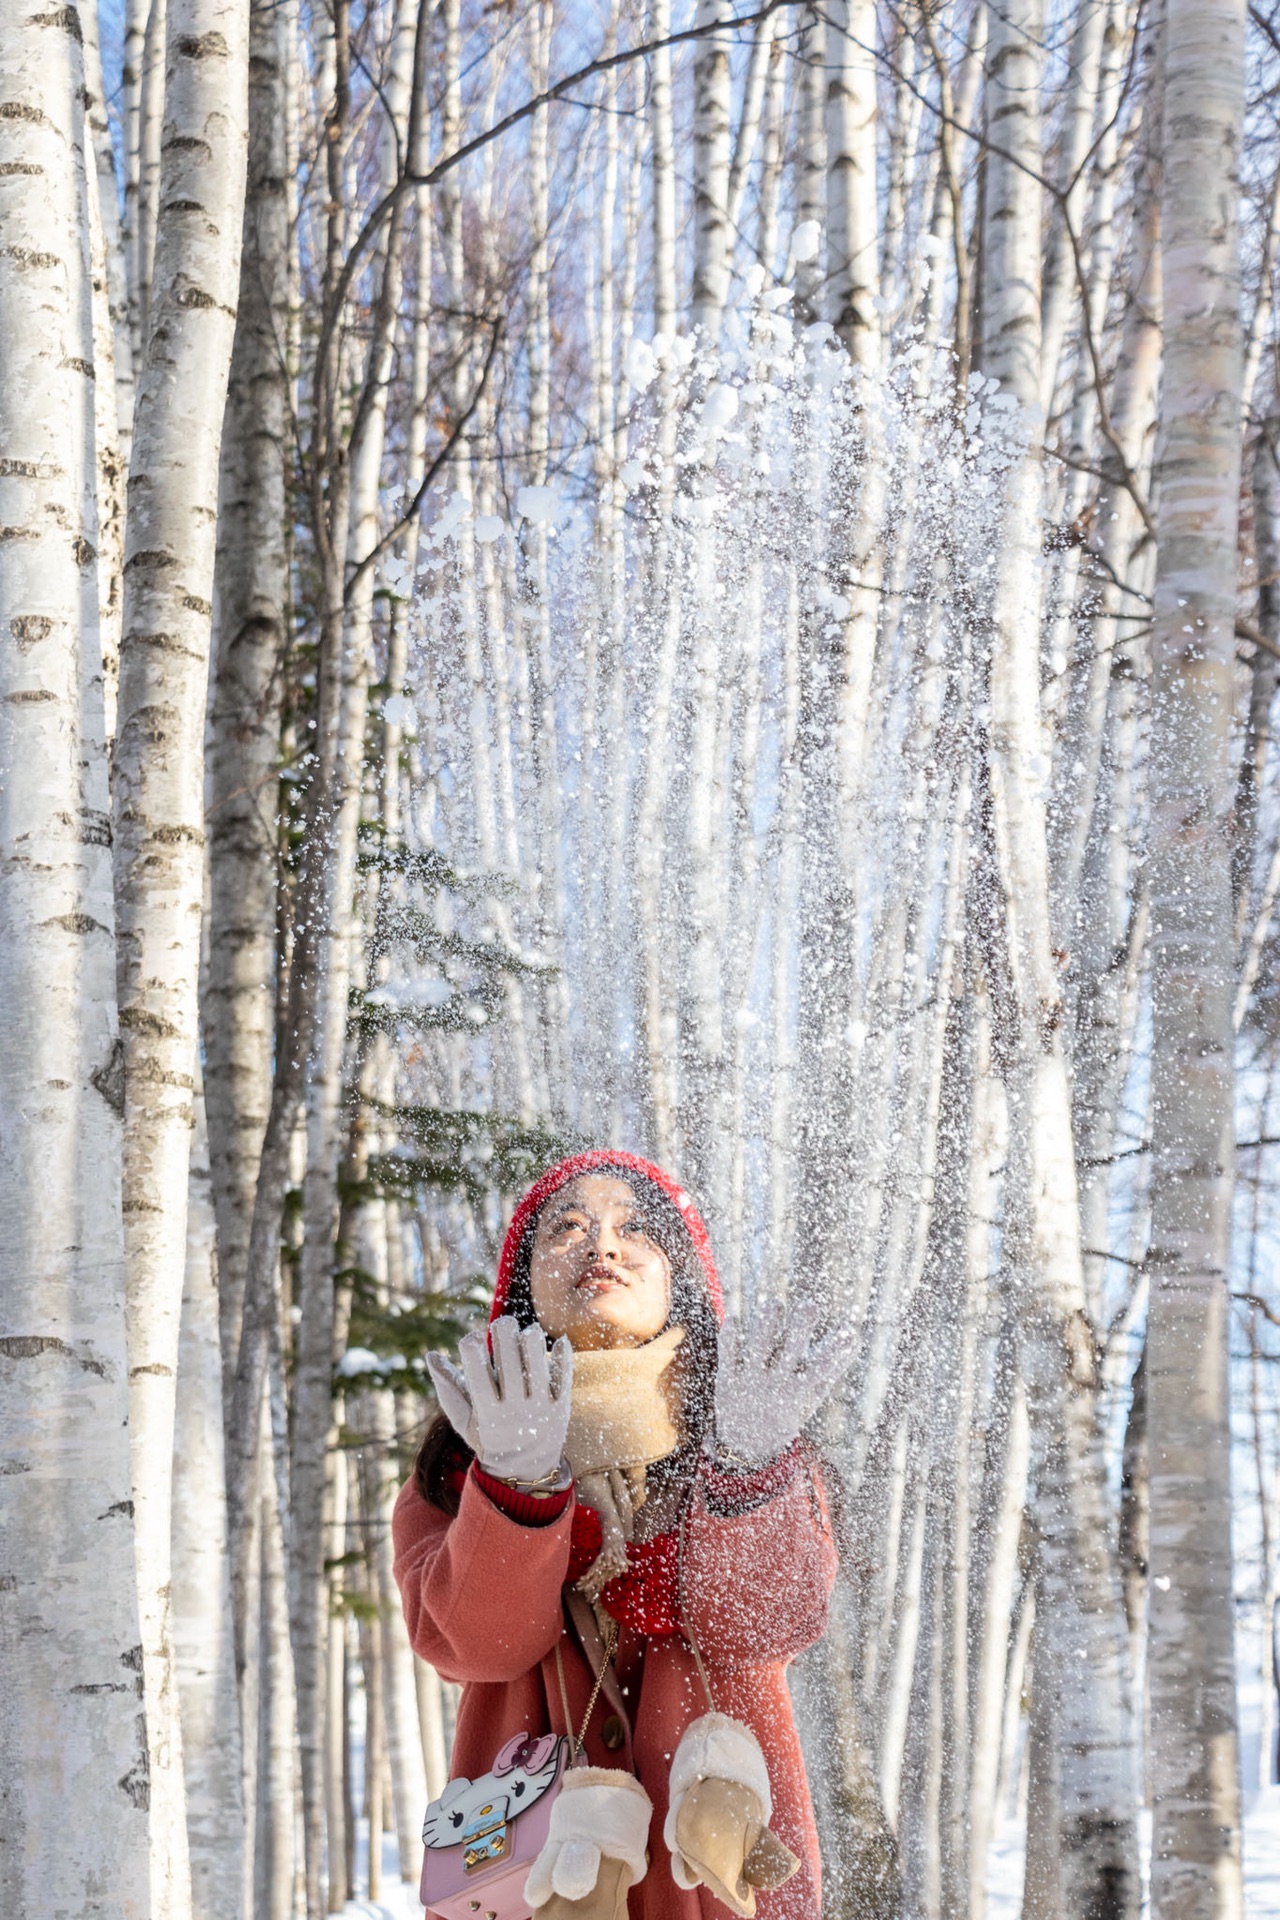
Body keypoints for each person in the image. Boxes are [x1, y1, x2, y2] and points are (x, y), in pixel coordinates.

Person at [393, 1150, 856, 1919]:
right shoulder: (461, 1462)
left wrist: (745, 1469)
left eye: (635, 1229)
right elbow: (474, 1644)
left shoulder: (752, 1427)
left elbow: (764, 1626)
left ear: (681, 1278)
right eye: (566, 1228)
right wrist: (514, 1486)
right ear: (523, 1287)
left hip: (715, 1887)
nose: (602, 1247)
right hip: (530, 1881)